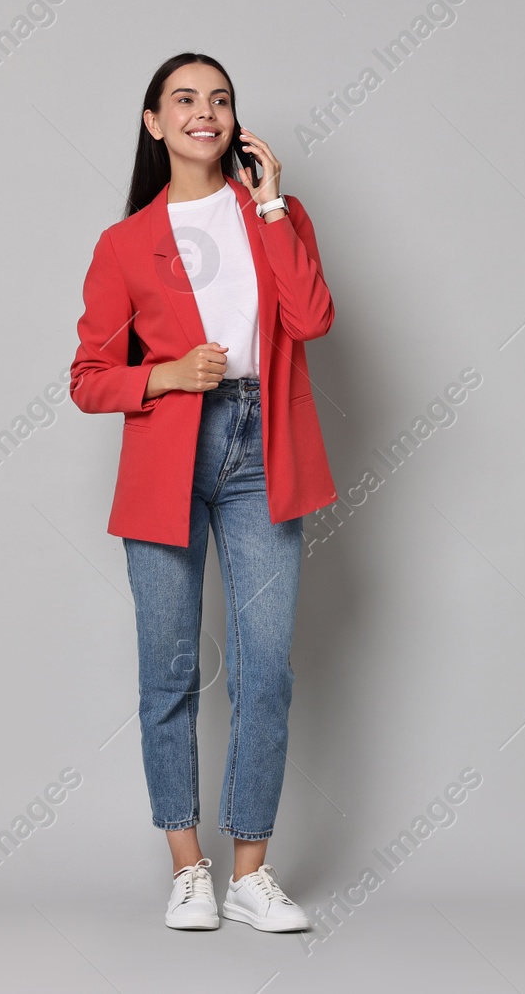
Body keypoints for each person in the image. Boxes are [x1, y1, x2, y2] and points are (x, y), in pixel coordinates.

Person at [69, 52, 340, 932]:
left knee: (266, 672)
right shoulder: (123, 244)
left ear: (236, 123)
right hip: (169, 454)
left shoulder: (275, 214)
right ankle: (188, 866)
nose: (205, 112)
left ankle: (250, 871)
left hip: (265, 444)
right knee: (172, 671)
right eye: (184, 99)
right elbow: (88, 377)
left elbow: (311, 318)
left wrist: (268, 205)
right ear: (154, 122)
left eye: (220, 99)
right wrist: (165, 374)